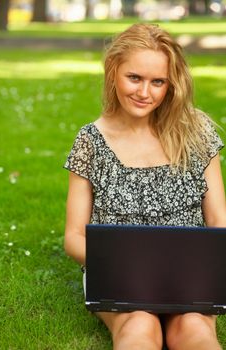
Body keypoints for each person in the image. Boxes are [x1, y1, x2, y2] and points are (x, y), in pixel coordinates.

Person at [63, 23, 226, 350]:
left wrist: (200, 271)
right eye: (134, 78)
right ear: (113, 71)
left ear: (171, 83)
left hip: (187, 273)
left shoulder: (195, 132)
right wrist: (123, 265)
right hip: (120, 275)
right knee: (139, 325)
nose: (144, 92)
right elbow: (74, 237)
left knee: (194, 329)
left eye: (158, 82)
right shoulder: (91, 141)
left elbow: (219, 222)